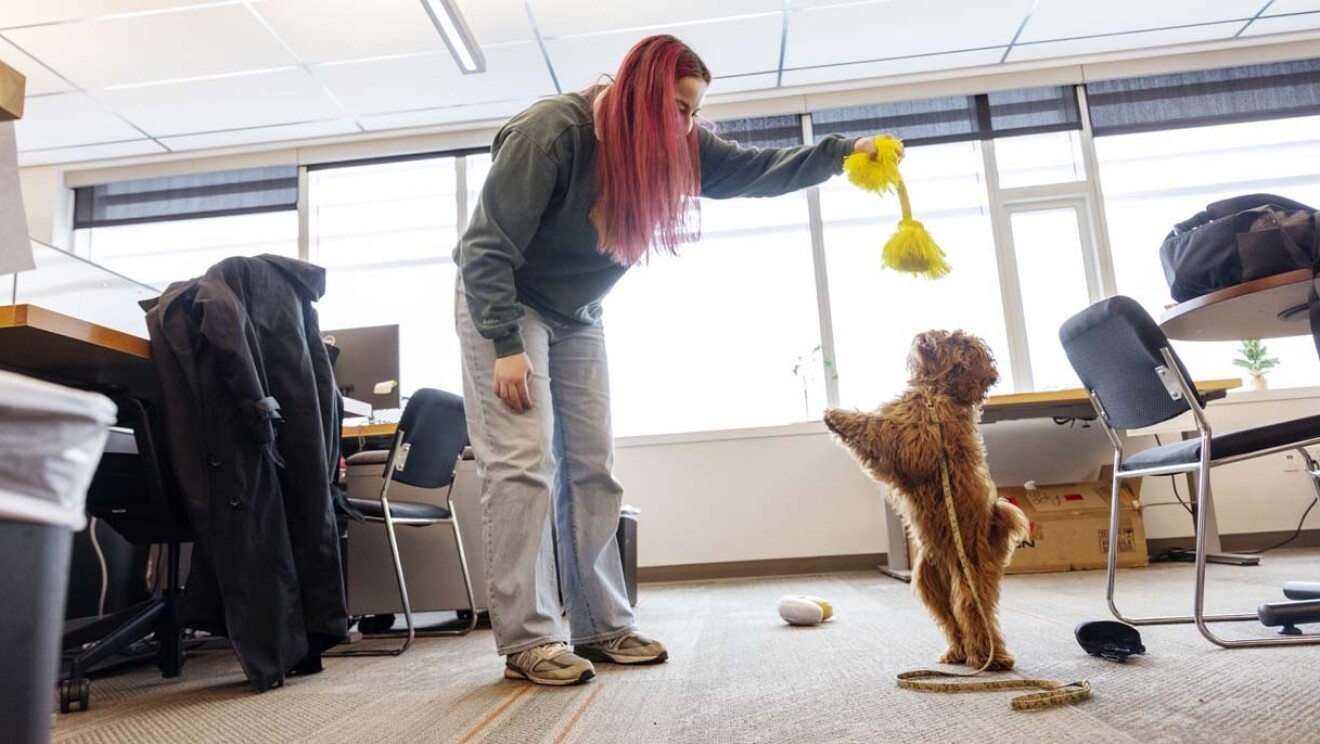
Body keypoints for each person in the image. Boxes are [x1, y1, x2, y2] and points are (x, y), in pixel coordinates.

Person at [454, 34, 891, 686]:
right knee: (522, 465)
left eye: (694, 112)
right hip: (505, 305)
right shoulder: (554, 132)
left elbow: (756, 168)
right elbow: (485, 247)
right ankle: (529, 641)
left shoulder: (678, 148)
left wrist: (841, 154)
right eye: (679, 109)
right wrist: (504, 345)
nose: (688, 125)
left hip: (578, 316)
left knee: (593, 468)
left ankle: (602, 627)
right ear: (638, 96)